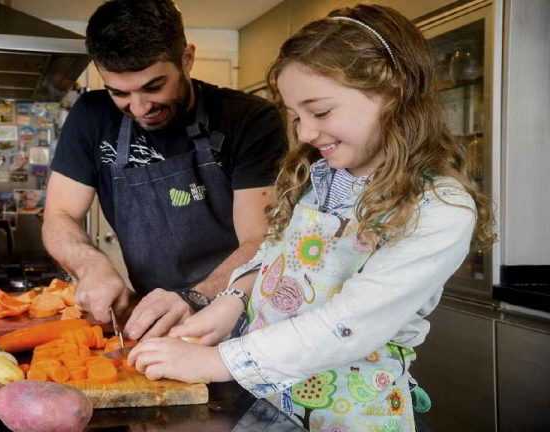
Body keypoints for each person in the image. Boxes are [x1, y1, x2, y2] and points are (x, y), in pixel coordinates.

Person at [128, 4, 494, 431]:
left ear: (394, 93)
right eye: (296, 116)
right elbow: (274, 252)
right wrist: (232, 302)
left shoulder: (438, 208)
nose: (303, 133)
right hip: (270, 400)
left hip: (352, 416)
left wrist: (216, 361)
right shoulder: (317, 177)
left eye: (320, 112)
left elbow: (349, 325)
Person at [43, 0, 287, 339]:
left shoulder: (249, 119)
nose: (140, 108)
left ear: (186, 59)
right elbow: (59, 215)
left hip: (242, 316)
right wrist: (91, 265)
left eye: (154, 87)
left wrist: (194, 297)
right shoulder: (91, 116)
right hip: (156, 321)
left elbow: (260, 240)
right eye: (120, 93)